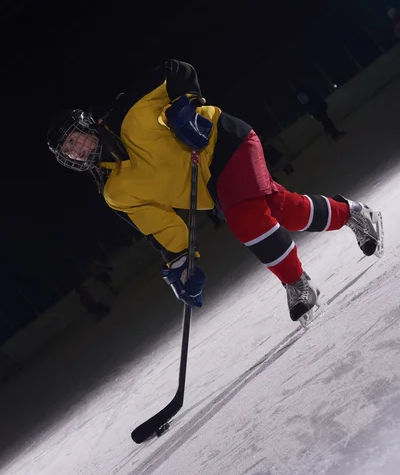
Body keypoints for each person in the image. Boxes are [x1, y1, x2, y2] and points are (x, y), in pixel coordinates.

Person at [47, 60, 382, 324]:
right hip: (213, 186)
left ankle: (296, 282)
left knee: (246, 219)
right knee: (283, 210)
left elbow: (176, 70)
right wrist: (180, 264)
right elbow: (160, 226)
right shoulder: (115, 191)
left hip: (224, 141)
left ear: (87, 125)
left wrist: (185, 107)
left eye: (75, 138)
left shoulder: (127, 111)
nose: (77, 149)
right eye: (69, 151)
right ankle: (352, 214)